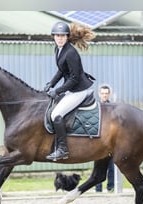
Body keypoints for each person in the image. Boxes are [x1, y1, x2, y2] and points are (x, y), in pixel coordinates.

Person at [44, 21, 96, 161]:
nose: (60, 38)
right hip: (72, 89)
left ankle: (62, 149)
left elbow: (74, 78)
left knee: (56, 114)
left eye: (62, 36)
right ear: (53, 37)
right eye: (57, 36)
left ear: (67, 37)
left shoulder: (71, 53)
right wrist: (51, 83)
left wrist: (58, 90)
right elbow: (62, 70)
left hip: (79, 90)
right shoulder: (58, 49)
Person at [95, 84, 115, 192]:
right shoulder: (95, 107)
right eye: (102, 93)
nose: (104, 95)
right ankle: (98, 189)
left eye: (106, 93)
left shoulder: (113, 107)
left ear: (109, 94)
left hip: (111, 142)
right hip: (98, 142)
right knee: (98, 167)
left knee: (111, 167)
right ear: (99, 94)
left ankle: (110, 187)